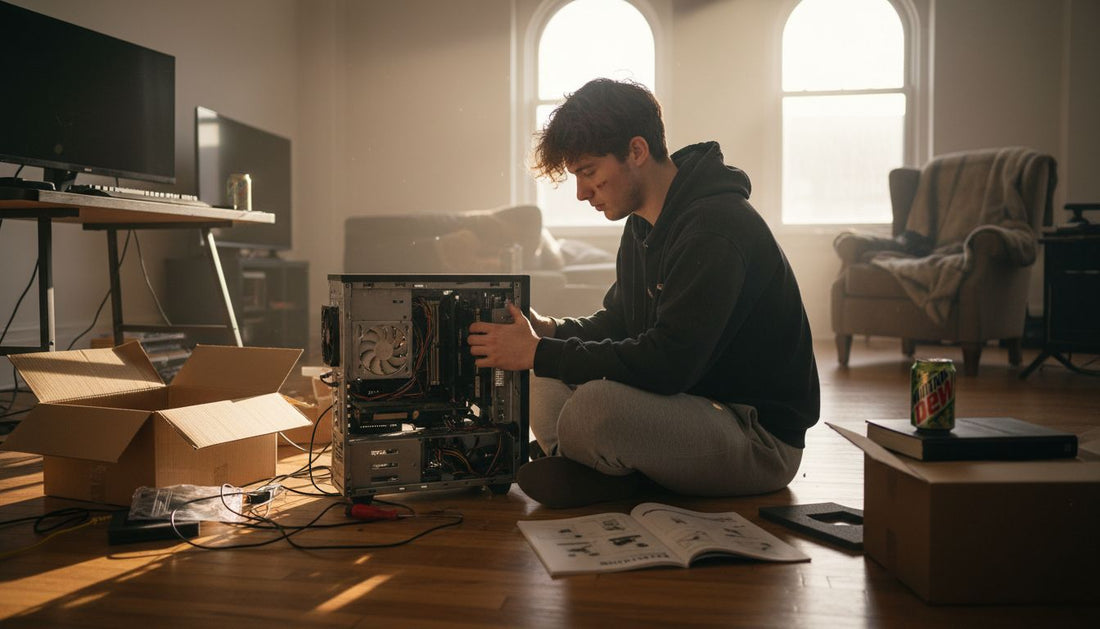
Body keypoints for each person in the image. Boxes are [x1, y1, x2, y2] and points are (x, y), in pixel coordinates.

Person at [467, 78, 819, 509]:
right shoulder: (643, 224)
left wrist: (538, 351)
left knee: (592, 407)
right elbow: (619, 323)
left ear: (636, 151)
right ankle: (599, 467)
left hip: (755, 436)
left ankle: (600, 469)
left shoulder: (715, 227)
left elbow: (669, 363)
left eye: (589, 173)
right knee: (546, 372)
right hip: (691, 405)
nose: (581, 193)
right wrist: (551, 331)